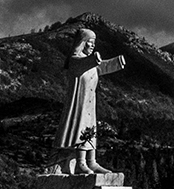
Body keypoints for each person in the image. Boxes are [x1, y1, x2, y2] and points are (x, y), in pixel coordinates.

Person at [54, 27, 126, 175]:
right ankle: (80, 162)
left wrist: (118, 62)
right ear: (82, 42)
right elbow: (86, 63)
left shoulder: (91, 63)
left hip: (89, 104)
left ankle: (91, 162)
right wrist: (94, 59)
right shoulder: (75, 61)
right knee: (81, 129)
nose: (92, 45)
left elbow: (102, 66)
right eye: (90, 42)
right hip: (79, 104)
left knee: (91, 130)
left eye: (94, 43)